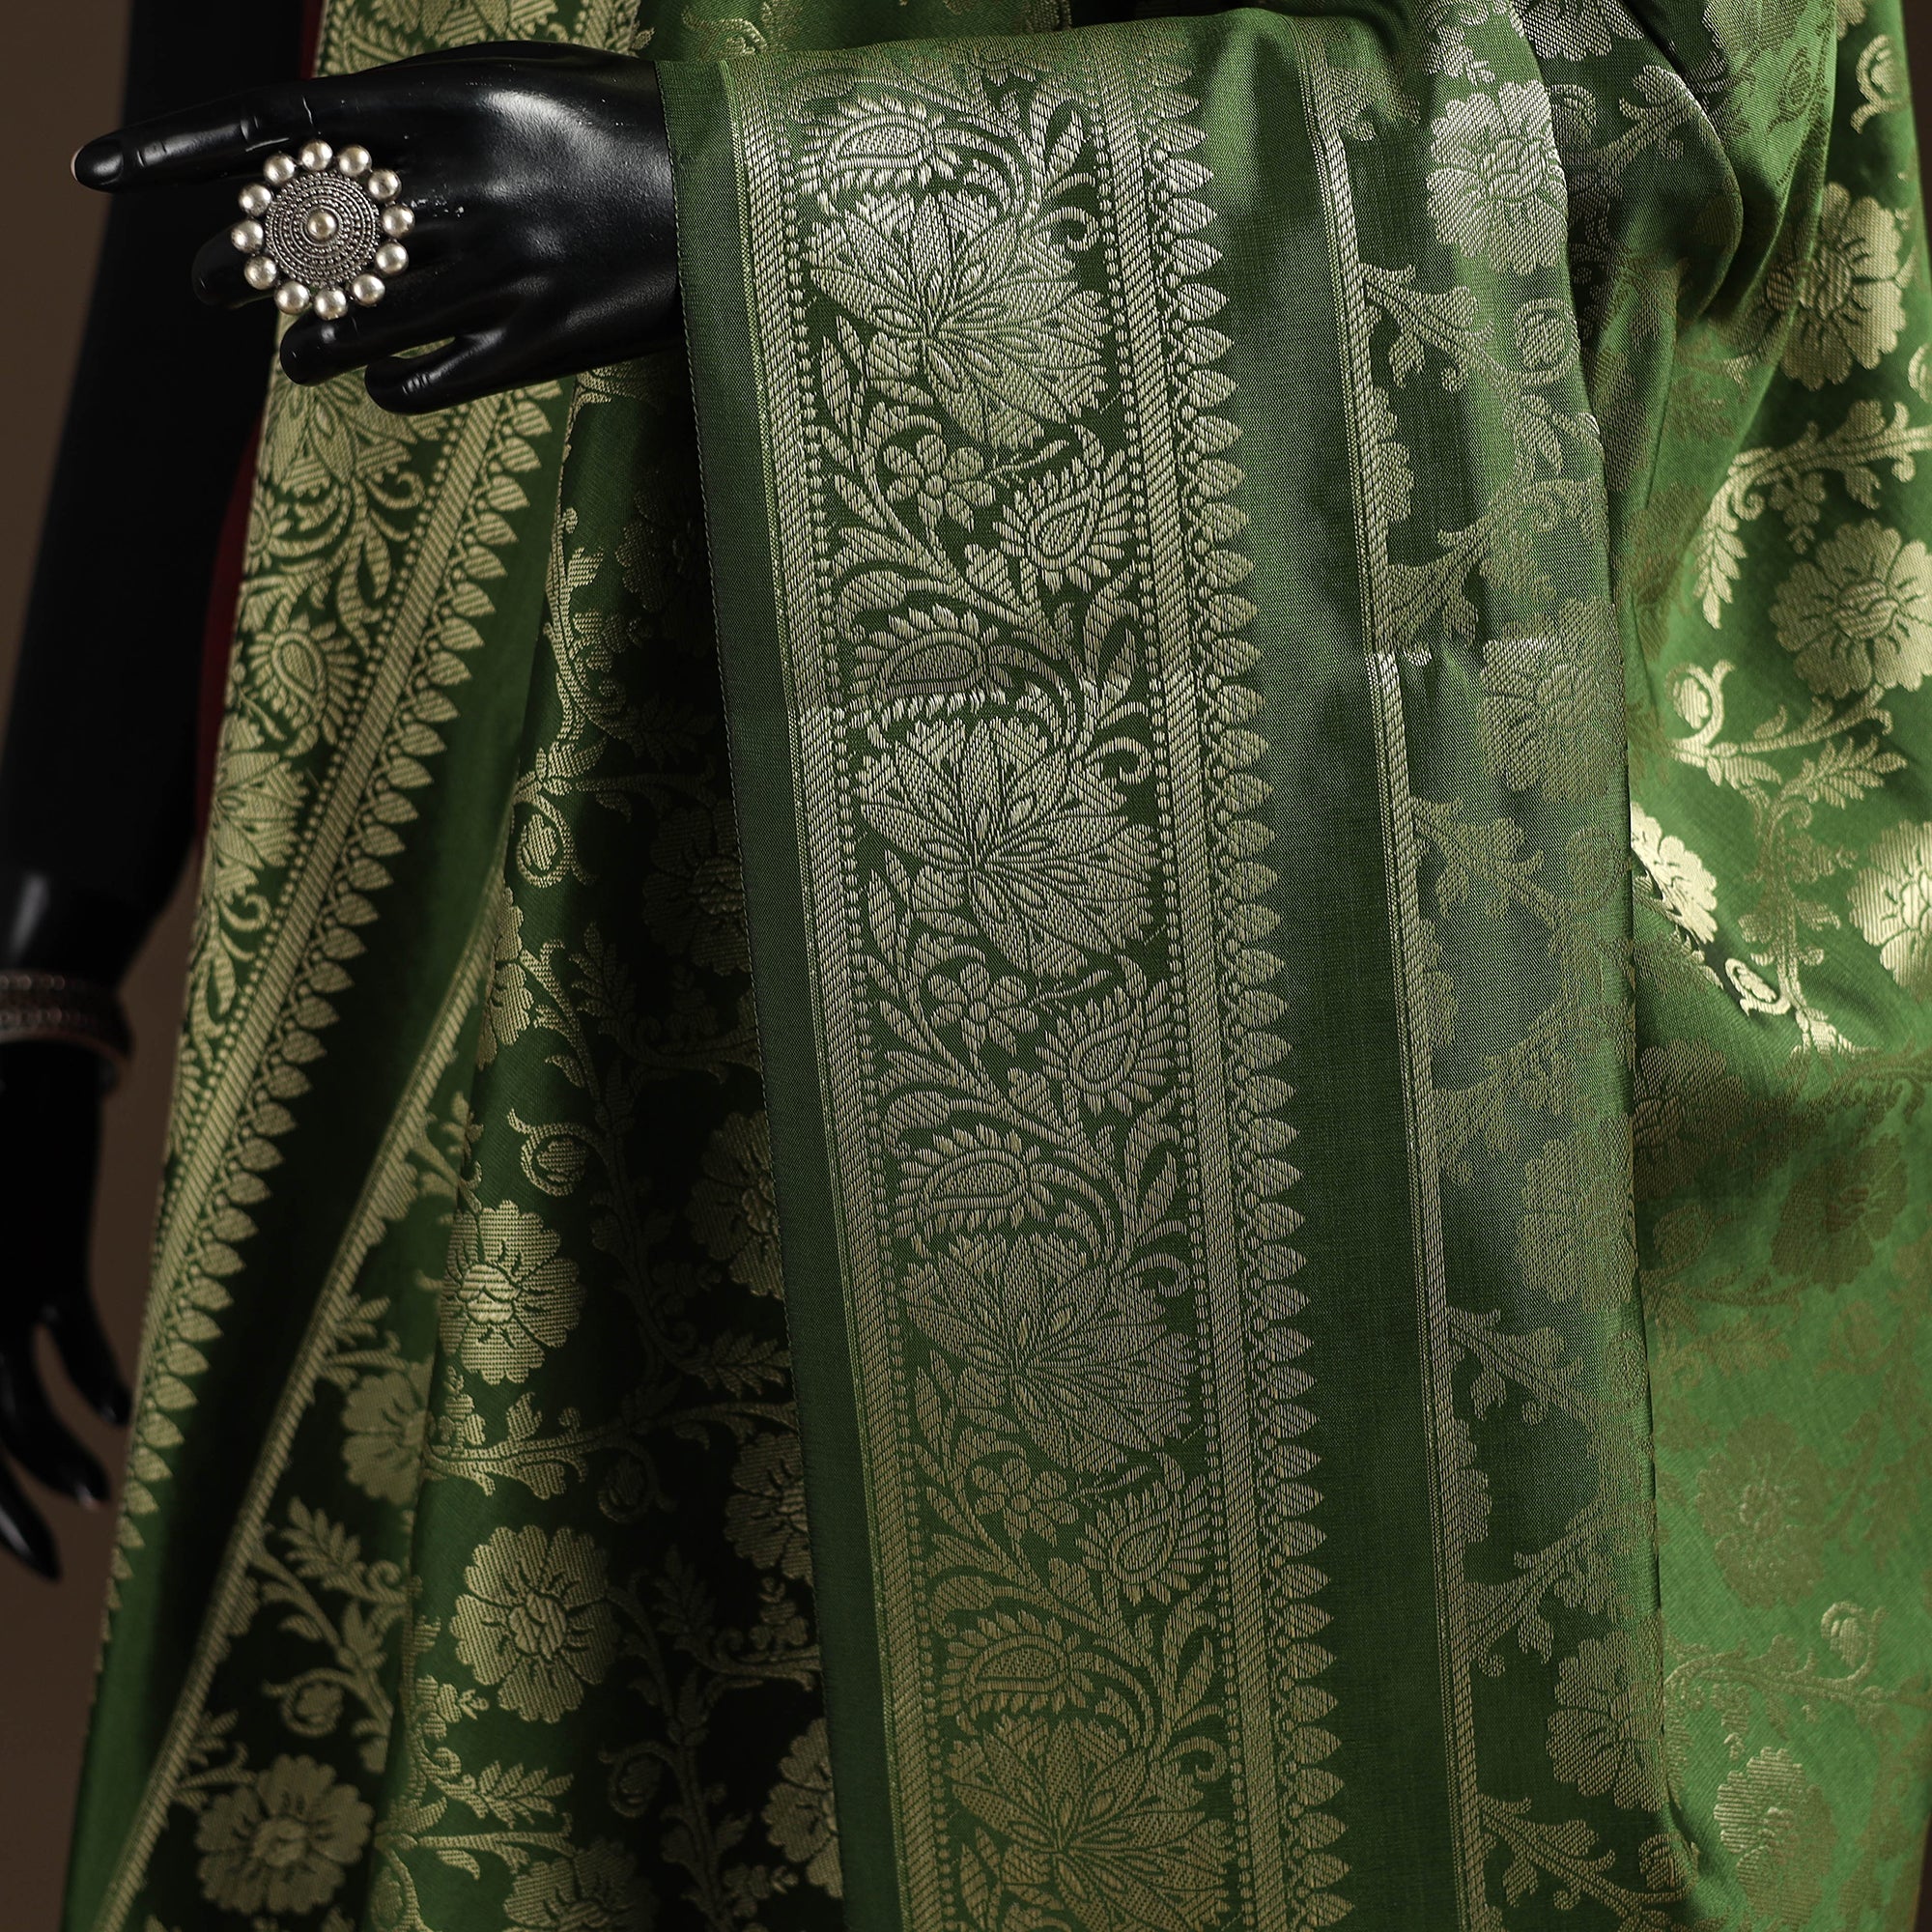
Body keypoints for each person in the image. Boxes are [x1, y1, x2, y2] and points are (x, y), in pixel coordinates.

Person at [15, 0, 1932, 1923]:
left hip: (1229, 912)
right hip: (460, 881)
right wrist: (49, 937)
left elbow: (1671, 89)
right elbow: (258, 125)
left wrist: (782, 201)